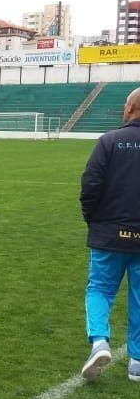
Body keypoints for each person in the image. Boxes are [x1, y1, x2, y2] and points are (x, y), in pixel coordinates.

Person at [79, 87, 140, 383]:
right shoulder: (111, 140)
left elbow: (90, 185)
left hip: (109, 235)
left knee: (99, 289)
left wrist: (94, 220)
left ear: (129, 108)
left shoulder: (110, 141)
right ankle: (137, 363)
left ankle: (100, 342)